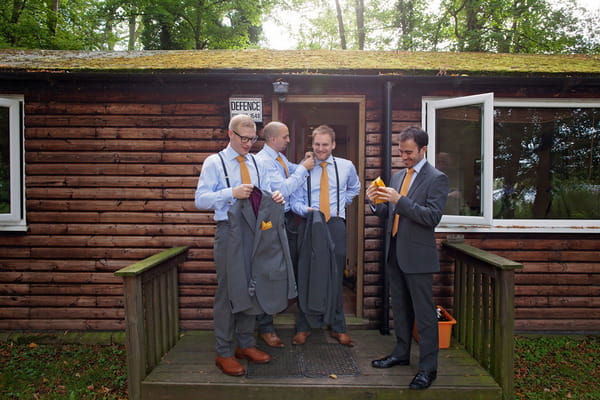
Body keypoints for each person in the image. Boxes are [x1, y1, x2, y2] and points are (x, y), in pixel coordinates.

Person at [195, 114, 286, 377]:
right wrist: (230, 193)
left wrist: (276, 196)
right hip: (229, 234)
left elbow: (267, 193)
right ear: (230, 134)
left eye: (252, 138)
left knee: (253, 289)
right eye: (244, 138)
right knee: (228, 293)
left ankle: (245, 344)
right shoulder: (215, 162)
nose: (248, 143)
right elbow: (200, 200)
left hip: (257, 233)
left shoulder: (258, 163)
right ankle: (224, 351)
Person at [366, 126, 449, 390]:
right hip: (395, 252)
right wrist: (374, 203)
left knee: (424, 315)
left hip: (418, 257)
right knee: (399, 308)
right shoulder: (397, 175)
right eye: (401, 152)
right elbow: (388, 213)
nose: (405, 157)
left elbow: (431, 216)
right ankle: (401, 354)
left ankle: (428, 369)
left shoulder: (437, 178)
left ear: (423, 149)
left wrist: (399, 200)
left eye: (409, 152)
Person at [290, 124, 361, 347]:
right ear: (312, 144)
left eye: (325, 145)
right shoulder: (303, 168)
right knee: (306, 275)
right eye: (317, 144)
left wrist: (341, 205)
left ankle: (337, 327)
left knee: (335, 275)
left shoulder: (346, 166)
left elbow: (355, 188)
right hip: (311, 224)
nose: (320, 149)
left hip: (335, 224)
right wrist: (306, 211)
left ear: (333, 145)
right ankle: (303, 326)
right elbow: (295, 202)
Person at [254, 121, 315, 348]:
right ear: (272, 139)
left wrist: (303, 164)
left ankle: (284, 319)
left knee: (287, 271)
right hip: (270, 223)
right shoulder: (263, 161)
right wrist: (304, 168)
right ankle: (266, 327)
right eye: (286, 137)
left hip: (287, 221)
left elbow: (293, 170)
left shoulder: (279, 159)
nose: (289, 140)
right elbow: (283, 189)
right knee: (270, 272)